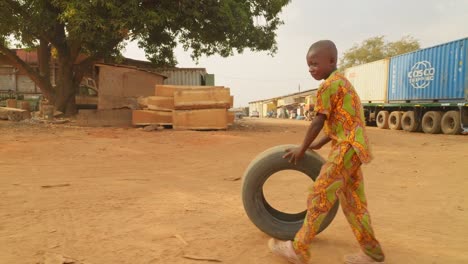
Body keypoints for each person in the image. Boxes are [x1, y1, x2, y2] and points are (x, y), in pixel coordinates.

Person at [268, 40, 385, 264]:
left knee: (320, 192)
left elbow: (318, 121)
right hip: (355, 148)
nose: (311, 69)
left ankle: (299, 248)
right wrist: (319, 144)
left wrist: (302, 149)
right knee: (354, 204)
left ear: (331, 61)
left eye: (314, 63)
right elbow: (342, 121)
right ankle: (373, 253)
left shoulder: (328, 85)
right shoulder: (342, 83)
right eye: (308, 65)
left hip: (346, 148)